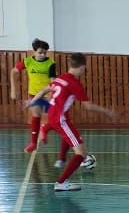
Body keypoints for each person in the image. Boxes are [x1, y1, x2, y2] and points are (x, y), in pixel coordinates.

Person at [27, 52, 120, 191]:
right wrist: (108, 112)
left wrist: (31, 102)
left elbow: (44, 90)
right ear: (82, 67)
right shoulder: (75, 84)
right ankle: (61, 182)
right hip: (60, 120)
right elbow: (88, 106)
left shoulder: (60, 78)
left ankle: (64, 158)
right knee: (80, 153)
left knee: (79, 149)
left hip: (53, 117)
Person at [10, 38, 57, 152]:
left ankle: (44, 129)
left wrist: (52, 94)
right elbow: (13, 71)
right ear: (34, 52)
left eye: (45, 53)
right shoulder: (27, 62)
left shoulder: (51, 63)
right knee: (36, 115)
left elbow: (53, 80)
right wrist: (13, 89)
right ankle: (33, 143)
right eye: (40, 52)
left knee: (54, 120)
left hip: (48, 94)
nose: (43, 55)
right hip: (34, 93)